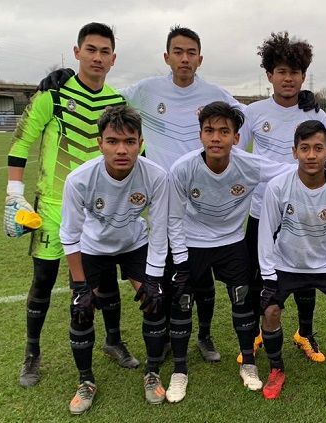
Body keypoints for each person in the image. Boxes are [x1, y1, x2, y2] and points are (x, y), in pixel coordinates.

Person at [38, 26, 243, 362]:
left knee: (201, 278)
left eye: (191, 53)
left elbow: (249, 118)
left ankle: (204, 337)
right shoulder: (145, 91)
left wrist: (300, 107)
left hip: (202, 199)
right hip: (160, 196)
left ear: (200, 59)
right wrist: (68, 80)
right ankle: (159, 338)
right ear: (167, 57)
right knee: (163, 277)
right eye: (178, 51)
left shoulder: (215, 92)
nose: (184, 58)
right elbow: (105, 98)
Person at [166, 102, 326, 403]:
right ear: (199, 134)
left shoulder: (250, 164)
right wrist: (180, 260)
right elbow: (173, 218)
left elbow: (300, 164)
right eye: (209, 131)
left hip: (231, 243)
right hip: (193, 243)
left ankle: (250, 364)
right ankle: (178, 371)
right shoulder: (182, 168)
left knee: (244, 303)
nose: (216, 138)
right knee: (182, 303)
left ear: (236, 138)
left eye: (224, 131)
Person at [6, 23, 133, 389]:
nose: (97, 57)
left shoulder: (117, 103)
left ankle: (113, 341)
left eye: (104, 51)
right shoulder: (53, 95)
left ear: (113, 58)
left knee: (104, 282)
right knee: (43, 282)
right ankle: (32, 353)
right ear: (77, 52)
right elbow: (21, 143)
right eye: (90, 49)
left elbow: (129, 153)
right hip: (52, 208)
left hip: (100, 210)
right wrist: (14, 194)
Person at [60, 105, 186, 413]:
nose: (121, 149)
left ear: (140, 143)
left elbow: (159, 230)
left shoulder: (155, 175)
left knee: (154, 303)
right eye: (113, 141)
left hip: (134, 244)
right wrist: (79, 287)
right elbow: (69, 235)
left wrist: (154, 279)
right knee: (81, 311)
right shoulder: (79, 180)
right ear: (99, 143)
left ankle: (152, 371)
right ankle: (85, 381)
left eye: (130, 141)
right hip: (92, 247)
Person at [238, 31, 326, 365]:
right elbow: (240, 157)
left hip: (306, 210)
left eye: (294, 72)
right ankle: (257, 330)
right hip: (262, 208)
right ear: (269, 75)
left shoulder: (315, 113)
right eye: (281, 71)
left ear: (303, 76)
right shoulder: (253, 112)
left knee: (307, 275)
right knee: (259, 274)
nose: (288, 78)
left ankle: (305, 333)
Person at [258, 120, 326, 400]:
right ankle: (276, 369)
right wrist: (268, 276)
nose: (311, 155)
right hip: (286, 263)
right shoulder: (278, 186)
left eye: (318, 148)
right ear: (294, 152)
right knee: (270, 312)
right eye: (305, 148)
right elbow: (266, 232)